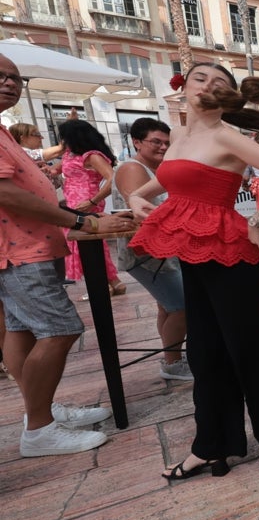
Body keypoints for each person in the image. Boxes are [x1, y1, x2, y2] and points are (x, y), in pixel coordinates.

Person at [127, 62, 259, 480]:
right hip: (194, 255)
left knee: (249, 352)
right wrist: (136, 197)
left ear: (228, 95)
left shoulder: (228, 136)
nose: (208, 85)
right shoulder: (179, 137)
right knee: (205, 355)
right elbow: (167, 180)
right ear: (184, 86)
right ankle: (212, 446)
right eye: (199, 78)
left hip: (234, 258)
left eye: (219, 82)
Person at [0, 53, 134, 456]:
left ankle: (38, 411)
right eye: (0, 76)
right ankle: (40, 430)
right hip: (21, 250)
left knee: (22, 329)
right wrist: (83, 222)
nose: (9, 82)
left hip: (28, 245)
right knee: (59, 330)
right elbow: (6, 193)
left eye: (15, 77)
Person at [112, 118, 191, 381]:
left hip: (159, 252)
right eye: (156, 141)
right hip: (149, 254)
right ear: (136, 142)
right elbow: (141, 213)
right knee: (183, 306)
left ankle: (174, 357)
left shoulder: (152, 169)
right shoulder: (134, 168)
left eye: (167, 142)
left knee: (169, 307)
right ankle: (172, 363)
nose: (163, 147)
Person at [58, 119, 124, 297]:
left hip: (85, 202)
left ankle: (103, 284)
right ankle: (113, 282)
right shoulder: (72, 154)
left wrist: (93, 201)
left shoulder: (91, 155)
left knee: (87, 244)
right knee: (90, 243)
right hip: (74, 202)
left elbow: (113, 179)